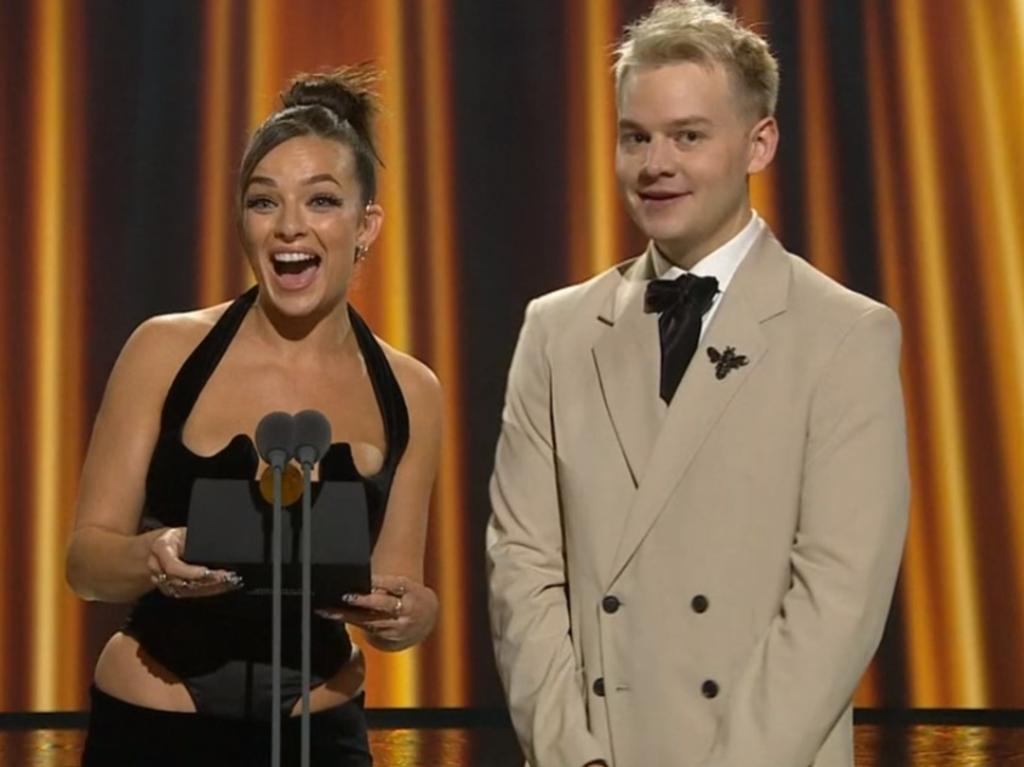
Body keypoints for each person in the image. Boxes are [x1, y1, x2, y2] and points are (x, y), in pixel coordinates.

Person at [486, 2, 909, 765]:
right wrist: (570, 754)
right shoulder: (556, 331)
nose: (656, 164)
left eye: (687, 135)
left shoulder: (846, 335)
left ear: (759, 143)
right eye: (635, 137)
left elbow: (838, 602)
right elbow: (522, 569)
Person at [66, 66, 441, 766]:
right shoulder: (163, 349)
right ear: (241, 220)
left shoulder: (412, 389)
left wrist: (413, 616)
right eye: (263, 202)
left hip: (320, 729)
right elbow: (85, 564)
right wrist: (152, 557)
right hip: (157, 723)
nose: (290, 226)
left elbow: (391, 594)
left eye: (322, 201)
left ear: (367, 226)